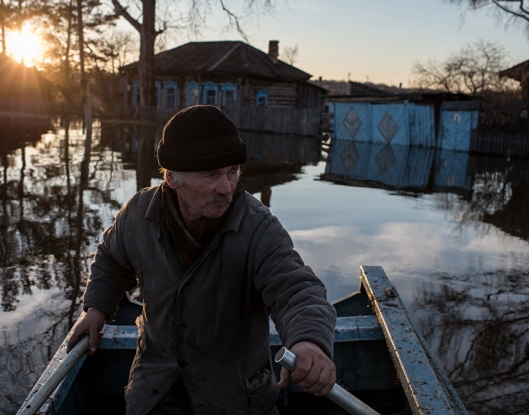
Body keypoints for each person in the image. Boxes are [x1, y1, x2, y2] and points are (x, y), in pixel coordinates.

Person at [67, 105, 337, 415]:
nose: (226, 188)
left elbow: (296, 290)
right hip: (155, 392)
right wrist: (96, 309)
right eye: (211, 175)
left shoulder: (258, 228)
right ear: (171, 178)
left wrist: (309, 343)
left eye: (232, 172)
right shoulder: (139, 215)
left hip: (235, 399)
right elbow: (112, 260)